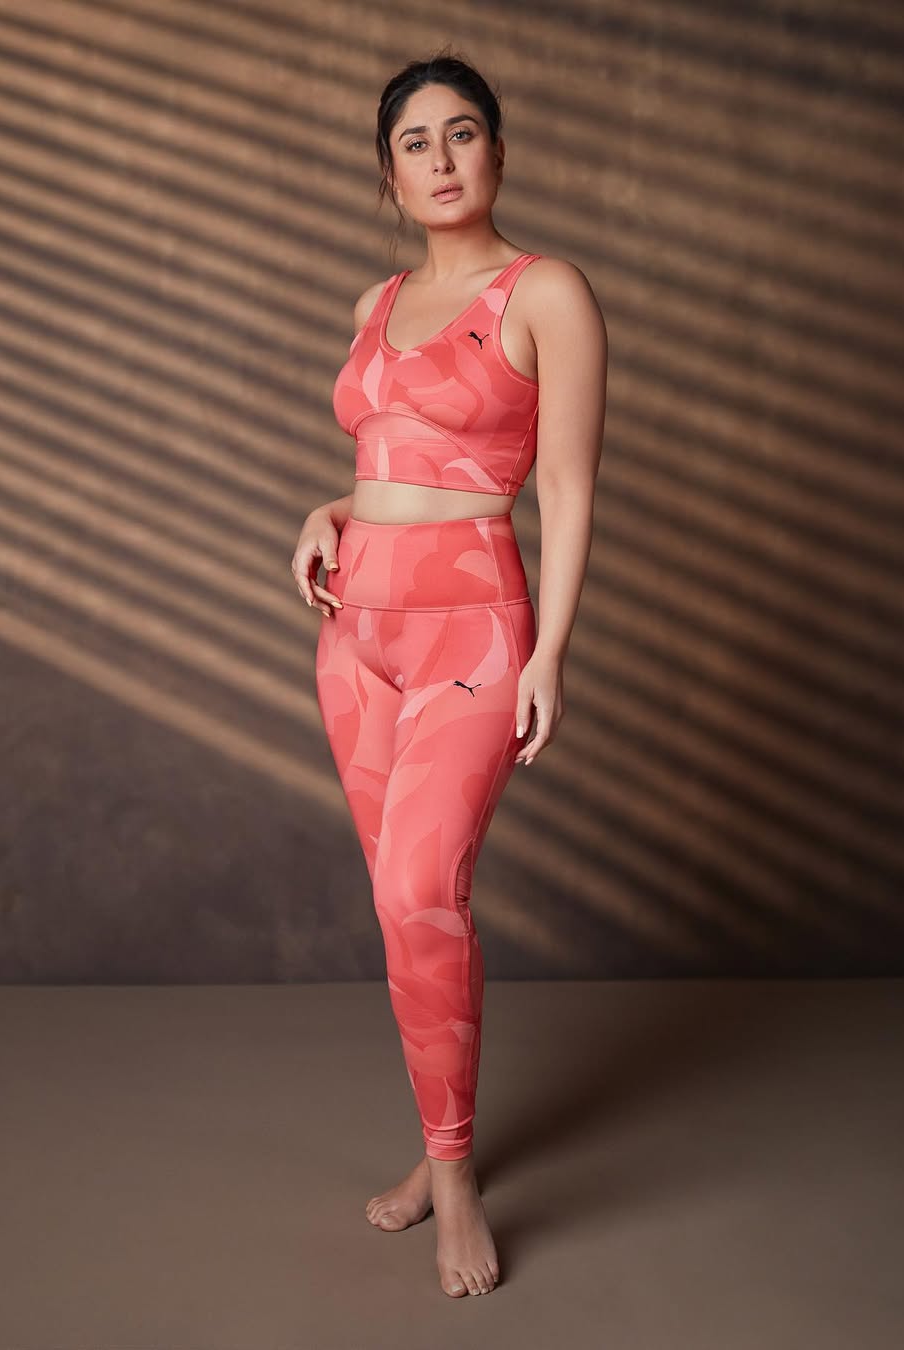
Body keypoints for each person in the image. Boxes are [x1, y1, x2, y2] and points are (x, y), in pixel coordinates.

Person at [290, 50, 607, 1299]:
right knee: (397, 906)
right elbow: (393, 461)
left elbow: (565, 485)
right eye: (415, 142)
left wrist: (551, 651)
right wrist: (327, 512)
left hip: (469, 633)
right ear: (389, 173)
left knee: (426, 889)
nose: (441, 158)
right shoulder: (376, 300)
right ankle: (438, 1145)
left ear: (498, 152)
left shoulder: (545, 291)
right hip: (355, 638)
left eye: (462, 132)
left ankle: (459, 1177)